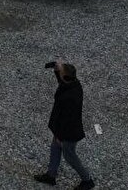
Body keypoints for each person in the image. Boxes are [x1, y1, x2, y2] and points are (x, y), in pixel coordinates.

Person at [34, 61, 95, 190]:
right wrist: (57, 70)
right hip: (64, 129)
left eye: (60, 73)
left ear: (65, 77)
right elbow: (63, 82)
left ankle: (87, 180)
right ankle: (51, 175)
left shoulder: (69, 98)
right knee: (55, 149)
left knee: (70, 156)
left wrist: (59, 136)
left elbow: (67, 119)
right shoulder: (74, 84)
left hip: (68, 132)